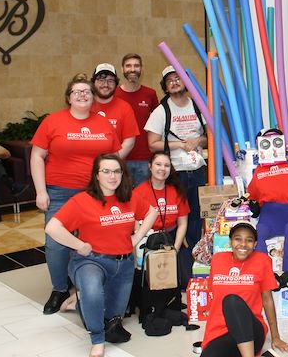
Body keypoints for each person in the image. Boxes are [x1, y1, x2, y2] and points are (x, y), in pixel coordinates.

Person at [45, 154, 159, 357]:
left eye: (117, 171)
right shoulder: (82, 200)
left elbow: (152, 212)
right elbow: (52, 227)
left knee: (113, 317)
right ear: (96, 175)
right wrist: (79, 245)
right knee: (93, 291)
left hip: (123, 264)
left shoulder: (129, 196)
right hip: (91, 261)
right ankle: (96, 339)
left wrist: (137, 236)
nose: (112, 176)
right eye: (106, 171)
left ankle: (79, 301)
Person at [31, 74, 122, 315]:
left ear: (93, 98)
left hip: (95, 193)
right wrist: (41, 191)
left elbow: (113, 160)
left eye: (87, 91)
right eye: (77, 91)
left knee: (96, 241)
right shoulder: (53, 121)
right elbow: (37, 156)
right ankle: (60, 288)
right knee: (56, 243)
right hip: (59, 191)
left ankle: (89, 285)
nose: (82, 95)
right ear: (68, 98)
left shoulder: (103, 124)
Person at [144, 66, 207, 283]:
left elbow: (210, 137)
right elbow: (152, 144)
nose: (174, 82)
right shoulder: (161, 111)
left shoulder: (199, 107)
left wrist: (197, 141)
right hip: (174, 173)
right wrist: (179, 144)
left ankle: (193, 270)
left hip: (198, 170)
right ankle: (177, 272)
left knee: (197, 220)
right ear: (165, 87)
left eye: (178, 78)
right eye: (169, 80)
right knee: (178, 219)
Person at [201, 221, 288, 357]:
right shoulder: (218, 260)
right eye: (238, 239)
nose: (243, 244)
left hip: (251, 330)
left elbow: (267, 300)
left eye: (249, 240)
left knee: (231, 301)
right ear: (230, 241)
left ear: (255, 244)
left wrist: (276, 337)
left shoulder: (262, 260)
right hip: (221, 330)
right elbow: (214, 299)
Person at [129, 151, 189, 319]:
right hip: (146, 241)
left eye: (166, 165)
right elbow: (134, 224)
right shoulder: (139, 192)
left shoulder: (176, 191)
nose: (162, 168)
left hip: (169, 239)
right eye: (158, 164)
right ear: (150, 166)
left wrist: (175, 250)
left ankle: (169, 303)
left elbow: (183, 223)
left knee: (176, 277)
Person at [246, 128, 288, 272]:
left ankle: (269, 273)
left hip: (275, 217)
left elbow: (252, 194)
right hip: (279, 217)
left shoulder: (260, 173)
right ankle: (282, 274)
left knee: (262, 234)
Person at [115, 53, 160, 186]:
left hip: (144, 158)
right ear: (122, 69)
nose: (133, 69)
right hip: (120, 158)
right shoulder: (114, 95)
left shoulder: (150, 94)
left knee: (143, 201)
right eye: (128, 66)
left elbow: (158, 124)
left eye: (136, 66)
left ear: (141, 69)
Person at [90, 63, 140, 160]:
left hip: (114, 167)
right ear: (93, 83)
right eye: (101, 80)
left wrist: (111, 162)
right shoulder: (84, 106)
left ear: (116, 84)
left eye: (110, 81)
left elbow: (129, 142)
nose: (105, 85)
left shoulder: (125, 107)